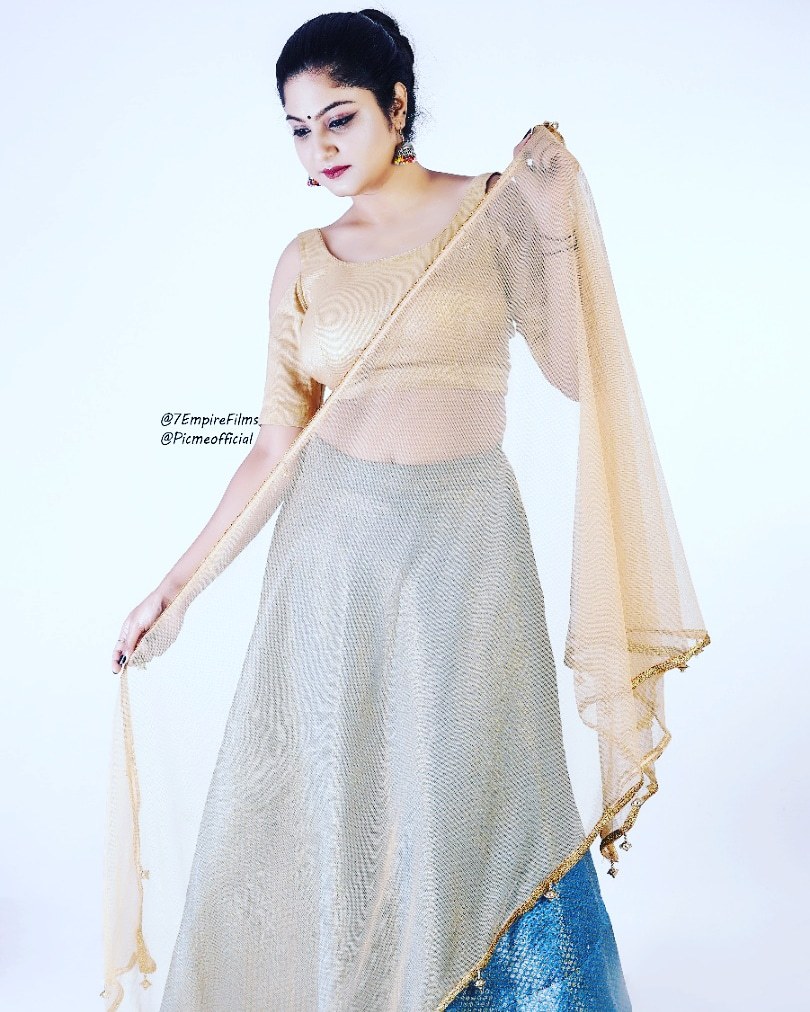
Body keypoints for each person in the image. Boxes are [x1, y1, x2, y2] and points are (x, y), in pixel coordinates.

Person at [106, 9, 709, 1011]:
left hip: (466, 549)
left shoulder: (491, 210)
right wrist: (174, 590)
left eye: (339, 117)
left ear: (397, 106)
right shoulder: (304, 260)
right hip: (332, 563)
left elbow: (574, 372)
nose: (320, 147)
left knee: (481, 787)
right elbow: (274, 445)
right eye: (299, 129)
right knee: (344, 797)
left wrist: (556, 224)